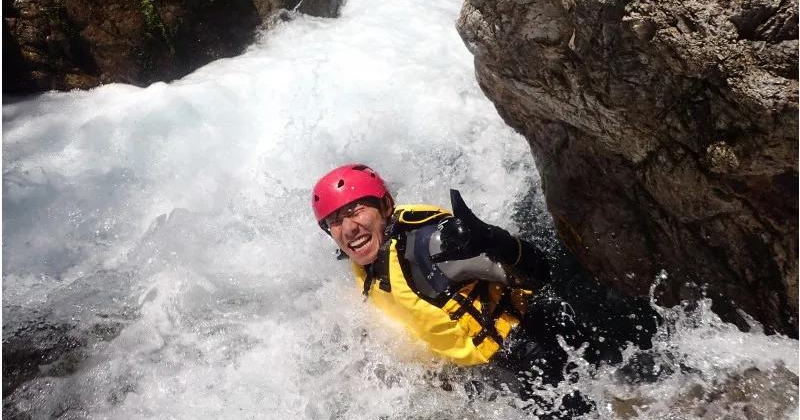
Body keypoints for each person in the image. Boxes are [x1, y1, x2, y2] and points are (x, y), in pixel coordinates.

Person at [312, 163, 656, 416]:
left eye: (356, 210)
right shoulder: (366, 264)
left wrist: (494, 240)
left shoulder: (433, 247)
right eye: (335, 220)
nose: (348, 227)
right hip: (494, 369)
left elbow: (539, 269)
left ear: (385, 207)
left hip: (540, 349)